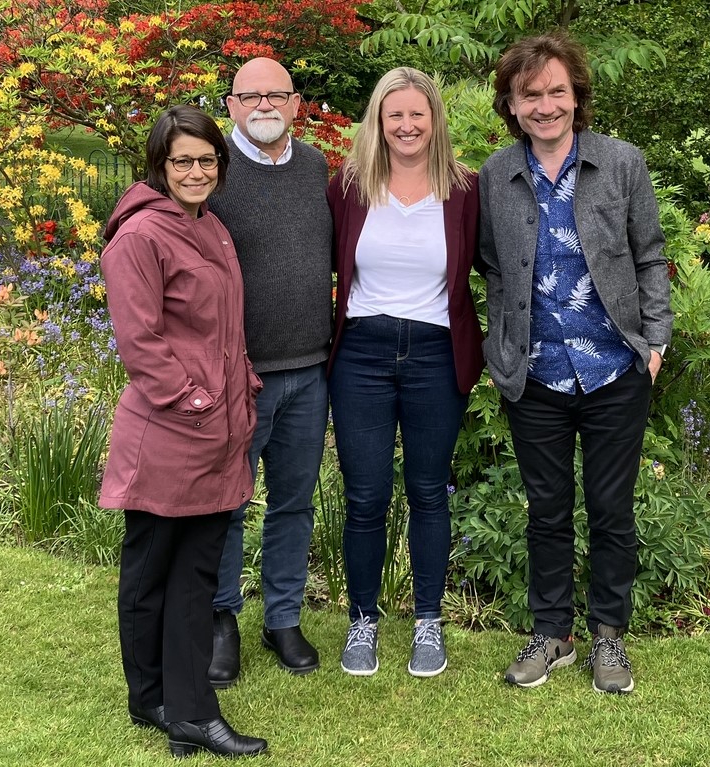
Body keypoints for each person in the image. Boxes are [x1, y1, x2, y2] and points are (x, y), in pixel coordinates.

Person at [478, 33, 671, 695]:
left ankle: (609, 636)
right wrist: (499, 348)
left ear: (577, 96)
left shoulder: (621, 164)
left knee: (612, 509)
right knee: (547, 510)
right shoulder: (496, 175)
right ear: (511, 102)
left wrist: (656, 341)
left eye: (556, 91)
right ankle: (552, 633)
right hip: (534, 376)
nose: (544, 105)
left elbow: (649, 255)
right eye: (529, 94)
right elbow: (494, 270)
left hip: (616, 368)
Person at [98, 104, 267, 757]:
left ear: (219, 168)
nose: (195, 171)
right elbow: (140, 341)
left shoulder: (210, 227)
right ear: (160, 166)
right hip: (173, 430)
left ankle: (158, 699)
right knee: (155, 570)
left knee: (183, 571)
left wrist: (239, 383)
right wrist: (194, 398)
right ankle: (186, 710)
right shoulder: (141, 237)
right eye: (182, 161)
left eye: (206, 160)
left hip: (215, 427)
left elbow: (221, 327)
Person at [326, 67, 483, 678]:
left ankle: (427, 622)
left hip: (435, 354)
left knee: (427, 492)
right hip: (362, 354)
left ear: (435, 119)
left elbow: (495, 264)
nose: (407, 125)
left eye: (418, 114)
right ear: (379, 120)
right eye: (396, 115)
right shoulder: (350, 185)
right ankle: (362, 620)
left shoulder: (464, 189)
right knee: (364, 495)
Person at [206, 57, 334, 687]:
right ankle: (220, 616)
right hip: (241, 373)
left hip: (310, 370)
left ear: (295, 103)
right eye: (249, 94)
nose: (263, 104)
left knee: (293, 503)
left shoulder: (316, 169)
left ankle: (282, 616)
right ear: (230, 105)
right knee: (228, 502)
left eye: (275, 94)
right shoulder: (212, 173)